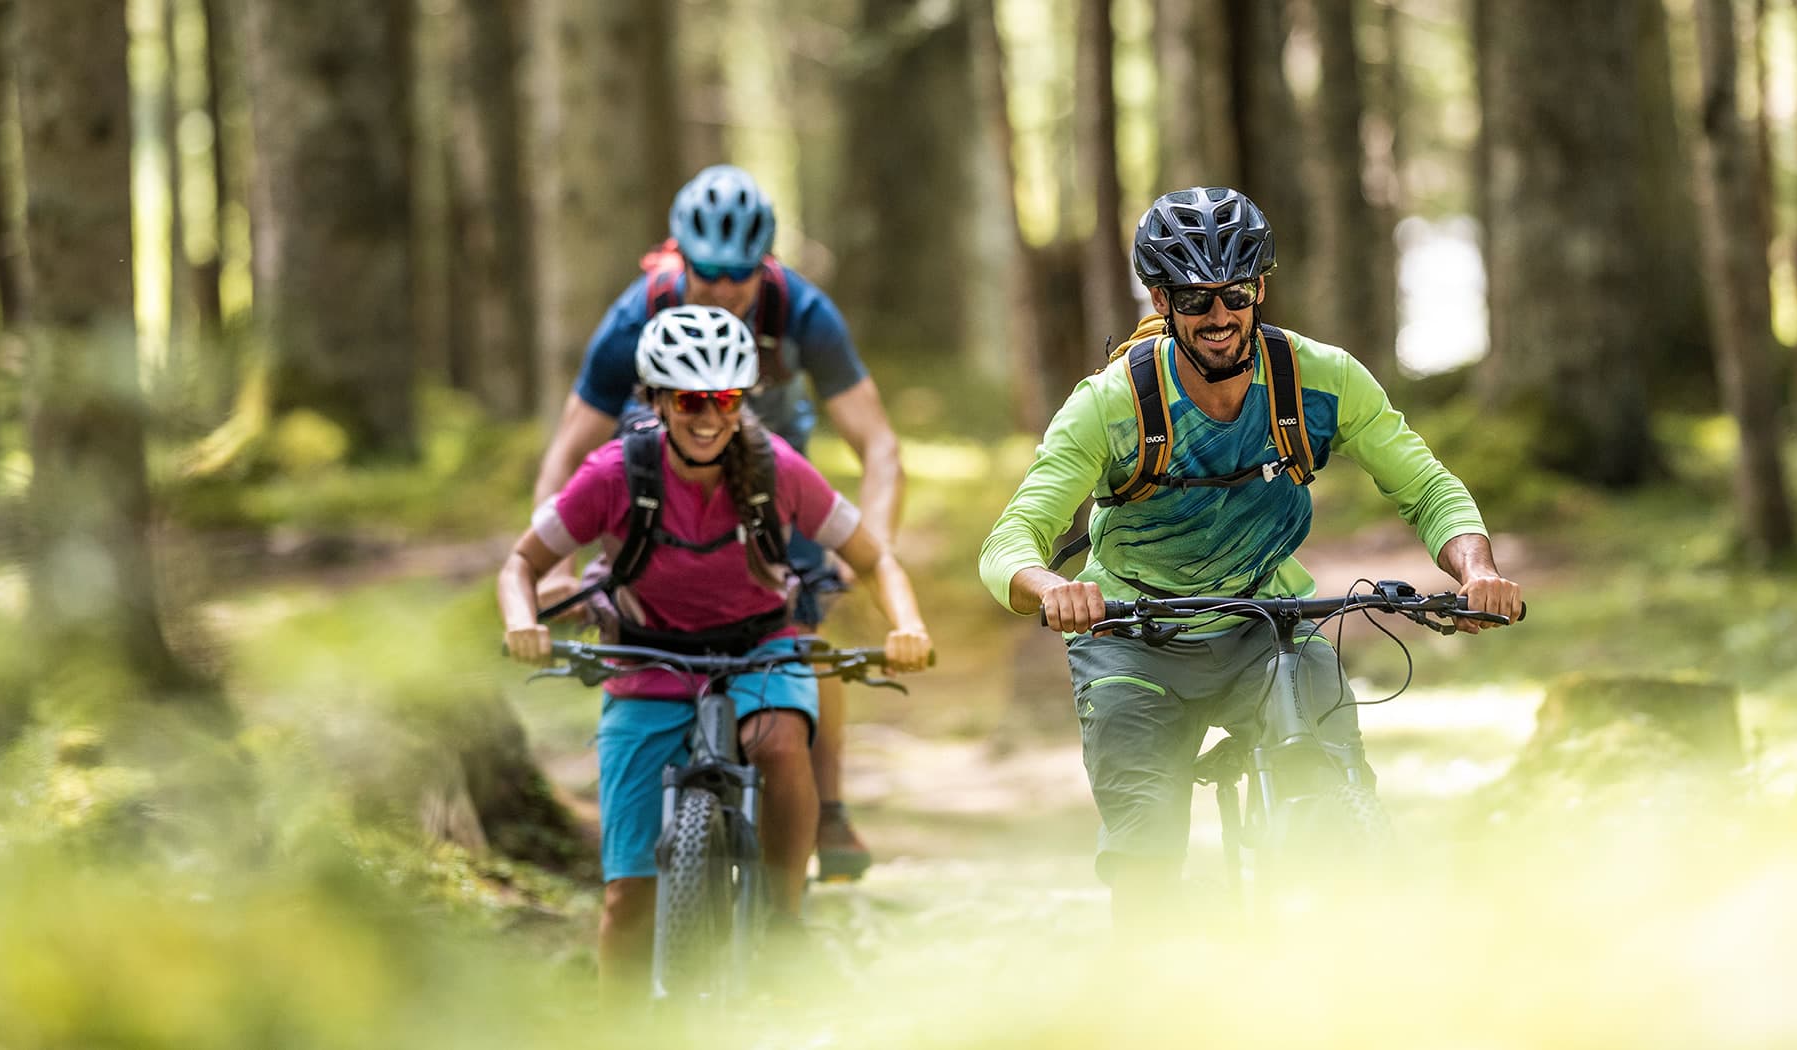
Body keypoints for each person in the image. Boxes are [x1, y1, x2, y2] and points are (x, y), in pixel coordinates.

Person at [977, 186, 1522, 926]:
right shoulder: (1112, 405)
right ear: (1162, 300)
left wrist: (1476, 572)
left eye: (1235, 293)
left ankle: (1369, 948)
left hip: (1268, 622)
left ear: (1259, 288)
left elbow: (1425, 486)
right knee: (1145, 860)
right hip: (1134, 639)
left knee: (1336, 785)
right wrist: (1050, 590)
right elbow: (1012, 537)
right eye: (1196, 299)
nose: (1220, 316)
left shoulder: (1315, 379)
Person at [503, 305, 932, 995]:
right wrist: (522, 620)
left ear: (742, 400)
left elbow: (873, 558)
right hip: (644, 663)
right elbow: (519, 564)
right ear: (659, 399)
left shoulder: (777, 468)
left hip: (759, 648)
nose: (707, 417)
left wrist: (906, 626)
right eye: (690, 400)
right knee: (627, 902)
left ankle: (785, 922)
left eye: (723, 399)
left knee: (781, 743)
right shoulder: (612, 474)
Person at [532, 163, 905, 881]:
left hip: (776, 485)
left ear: (765, 263)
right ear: (679, 255)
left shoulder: (801, 311)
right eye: (707, 271)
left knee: (804, 630)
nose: (724, 289)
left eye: (741, 275)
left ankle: (826, 809)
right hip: (664, 485)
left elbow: (879, 444)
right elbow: (567, 451)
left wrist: (869, 548)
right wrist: (550, 570)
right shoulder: (634, 314)